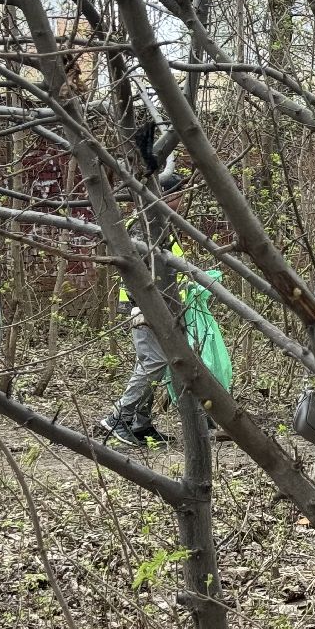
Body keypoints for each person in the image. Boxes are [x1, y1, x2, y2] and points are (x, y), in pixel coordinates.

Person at [99, 174, 186, 448]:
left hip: (162, 309)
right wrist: (140, 307)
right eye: (179, 195)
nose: (182, 201)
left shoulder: (161, 225)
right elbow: (133, 269)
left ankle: (140, 423)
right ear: (168, 196)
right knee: (154, 362)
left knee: (154, 363)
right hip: (146, 309)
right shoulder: (145, 226)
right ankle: (119, 416)